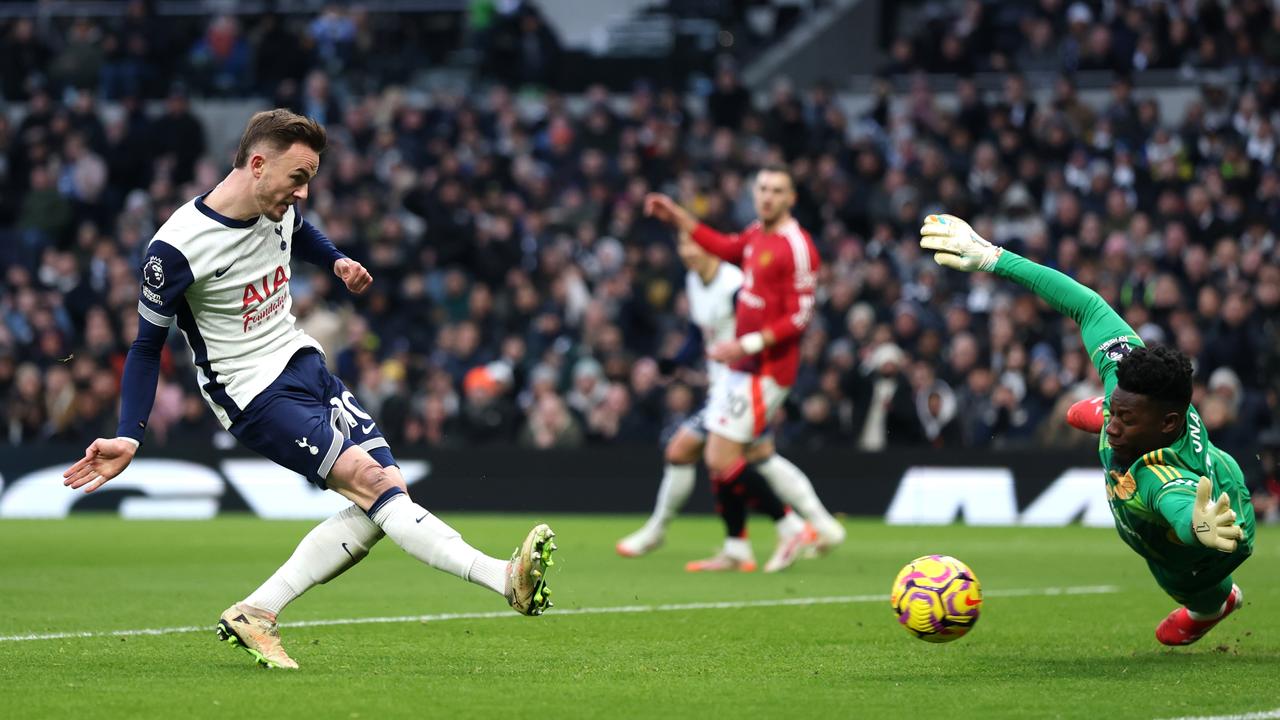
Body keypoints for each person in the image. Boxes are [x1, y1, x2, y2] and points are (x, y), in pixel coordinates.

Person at [61, 110, 556, 670]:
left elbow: (300, 233)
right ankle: (503, 578)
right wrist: (130, 435)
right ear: (256, 164)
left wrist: (337, 260)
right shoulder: (175, 249)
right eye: (298, 178)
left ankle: (256, 611)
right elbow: (146, 348)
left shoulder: (278, 207)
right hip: (252, 392)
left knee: (385, 494)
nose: (303, 193)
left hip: (303, 364)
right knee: (374, 484)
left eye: (310, 180)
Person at [920, 214, 1253, 646]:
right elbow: (1087, 304)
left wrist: (1196, 527)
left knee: (1176, 570)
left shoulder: (1158, 477)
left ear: (1167, 424)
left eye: (1125, 419)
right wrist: (993, 258)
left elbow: (1179, 504)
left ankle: (1214, 604)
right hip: (1200, 472)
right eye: (1114, 411)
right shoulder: (1133, 375)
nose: (1114, 427)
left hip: (1212, 527)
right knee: (1085, 415)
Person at [641, 167, 845, 572]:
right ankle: (808, 529)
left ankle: (791, 529)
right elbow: (723, 244)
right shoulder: (756, 234)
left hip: (766, 370)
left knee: (719, 458)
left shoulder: (797, 245)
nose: (767, 197)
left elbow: (800, 316)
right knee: (755, 454)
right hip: (744, 368)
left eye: (777, 191)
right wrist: (677, 216)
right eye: (763, 189)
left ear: (792, 198)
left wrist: (744, 344)